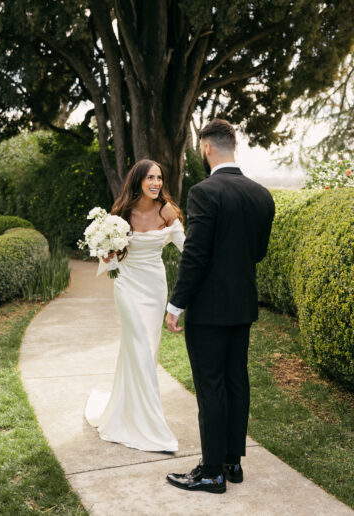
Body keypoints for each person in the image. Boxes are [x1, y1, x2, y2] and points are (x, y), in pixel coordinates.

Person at [165, 119, 275, 493]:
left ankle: (211, 471)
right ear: (233, 146)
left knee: (211, 386)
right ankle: (232, 461)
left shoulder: (203, 192)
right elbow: (257, 253)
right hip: (241, 307)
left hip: (209, 311)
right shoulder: (262, 195)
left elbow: (194, 256)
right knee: (236, 381)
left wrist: (176, 304)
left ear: (207, 148)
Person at [85, 159, 185, 452]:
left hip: (154, 288)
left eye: (159, 178)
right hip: (127, 287)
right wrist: (107, 255)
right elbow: (112, 258)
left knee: (145, 351)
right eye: (150, 178)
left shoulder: (166, 210)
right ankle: (152, 426)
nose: (156, 183)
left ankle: (129, 409)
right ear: (138, 180)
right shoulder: (122, 213)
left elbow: (187, 248)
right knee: (139, 346)